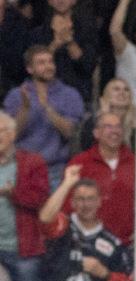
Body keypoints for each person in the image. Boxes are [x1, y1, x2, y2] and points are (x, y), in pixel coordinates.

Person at [38, 169, 132, 281]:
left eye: (90, 199)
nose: (85, 204)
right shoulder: (63, 227)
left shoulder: (112, 242)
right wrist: (67, 184)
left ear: (99, 201)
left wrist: (105, 274)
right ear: (73, 203)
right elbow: (45, 218)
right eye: (80, 199)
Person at [3, 46, 84, 189]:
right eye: (41, 63)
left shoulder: (69, 94)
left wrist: (46, 107)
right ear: (29, 69)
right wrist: (25, 109)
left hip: (56, 171)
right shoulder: (16, 95)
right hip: (21, 170)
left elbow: (70, 133)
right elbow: (10, 136)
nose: (48, 66)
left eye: (50, 62)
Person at [0, 110, 51, 281]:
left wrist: (13, 193)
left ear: (12, 134)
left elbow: (40, 198)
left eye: (1, 131)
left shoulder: (31, 162)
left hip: (23, 251)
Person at [65, 111, 136, 244]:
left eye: (118, 126)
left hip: (128, 243)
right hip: (88, 242)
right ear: (96, 133)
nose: (114, 131)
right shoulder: (80, 163)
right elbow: (68, 204)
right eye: (108, 126)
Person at [27, 0, 98, 103]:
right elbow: (33, 67)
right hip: (44, 97)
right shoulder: (37, 33)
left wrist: (70, 42)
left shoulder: (88, 30)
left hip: (79, 96)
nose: (60, 0)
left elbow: (88, 66)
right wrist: (55, 44)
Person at [79, 78, 136, 151]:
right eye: (116, 89)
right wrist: (104, 117)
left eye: (126, 89)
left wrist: (135, 128)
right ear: (106, 95)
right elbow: (88, 147)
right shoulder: (93, 121)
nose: (122, 92)